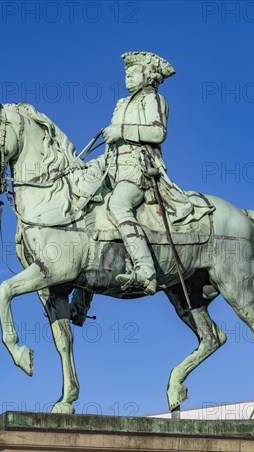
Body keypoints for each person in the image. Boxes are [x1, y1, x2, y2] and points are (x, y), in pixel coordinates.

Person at [101, 51, 177, 295]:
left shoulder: (154, 99)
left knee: (118, 205)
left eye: (133, 73)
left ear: (148, 75)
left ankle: (146, 272)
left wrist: (121, 130)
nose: (128, 77)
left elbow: (158, 133)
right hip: (112, 168)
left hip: (138, 168)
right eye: (126, 73)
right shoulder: (122, 103)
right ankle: (83, 299)